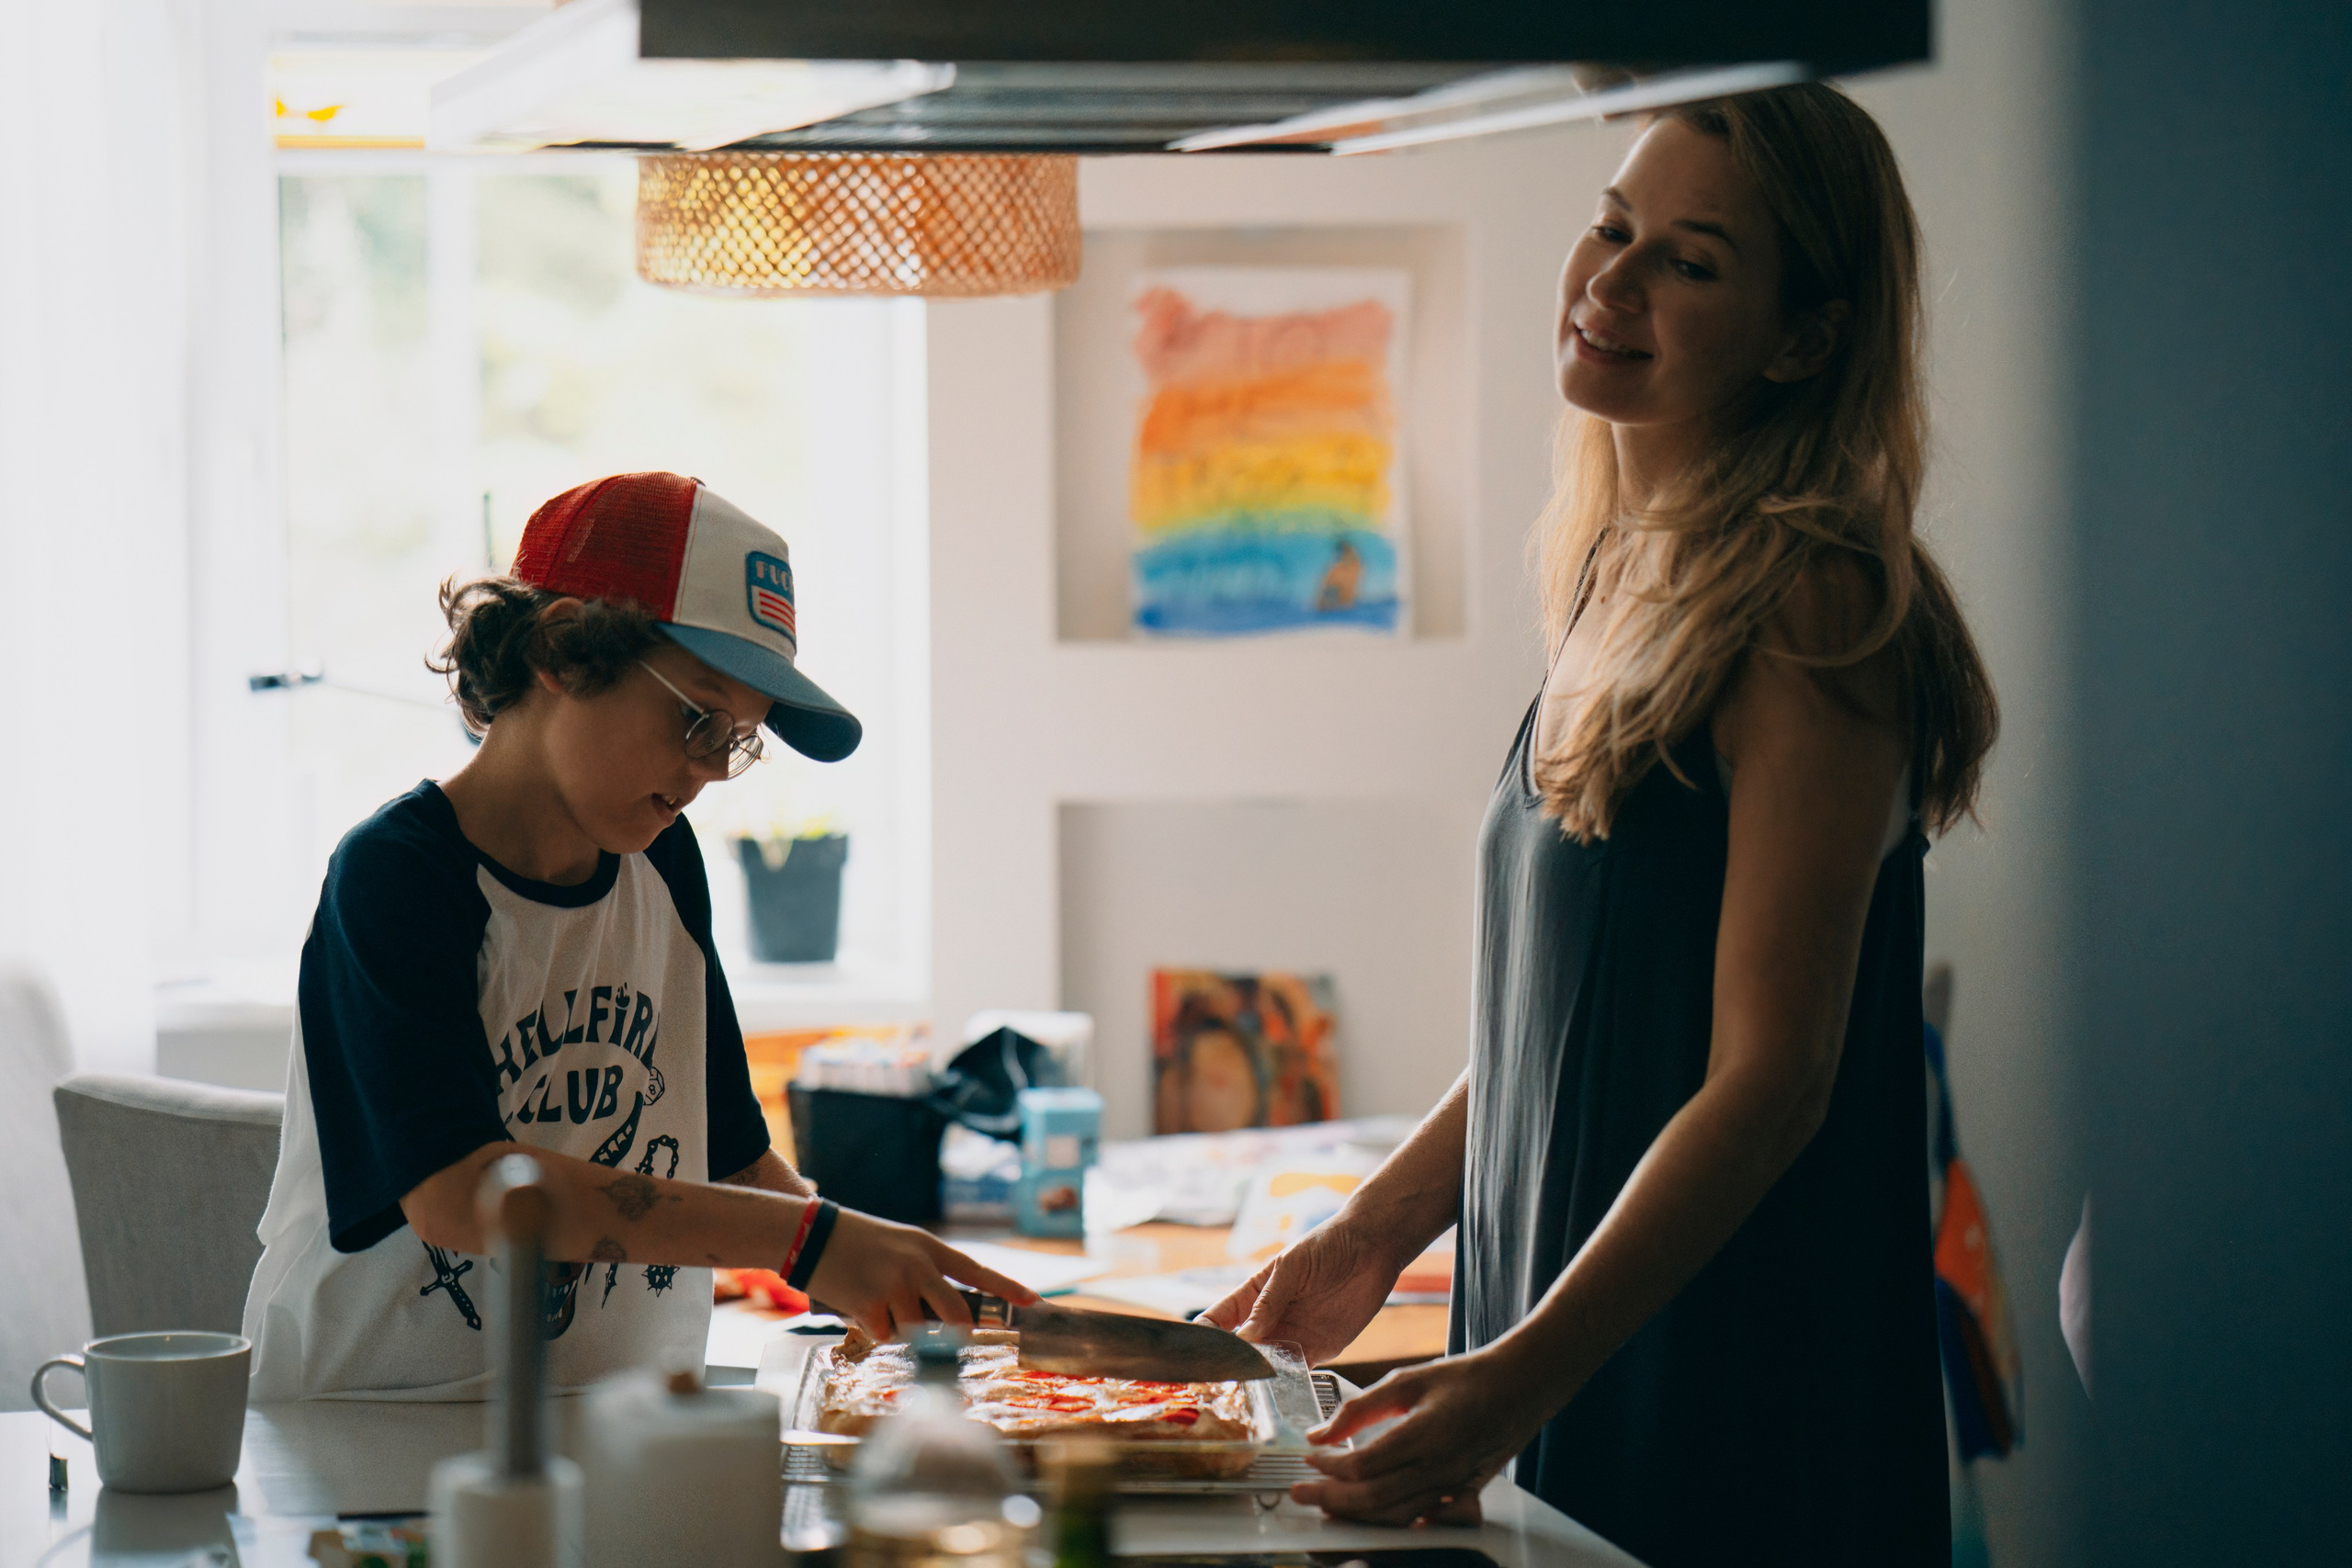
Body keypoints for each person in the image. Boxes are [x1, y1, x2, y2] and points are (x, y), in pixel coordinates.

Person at [1204, 85, 1996, 1568]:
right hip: (1566, 1330)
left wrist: (1523, 1372)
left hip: (1721, 1373)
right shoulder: (1622, 575)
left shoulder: (1812, 604)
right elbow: (1566, 1014)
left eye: (1690, 261)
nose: (1613, 282)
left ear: (1807, 335)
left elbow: (1774, 1079)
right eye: (1612, 225)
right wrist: (1371, 1234)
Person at [243, 471, 1033, 1401]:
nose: (710, 772)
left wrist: (867, 1262)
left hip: (616, 1417)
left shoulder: (663, 859)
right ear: (560, 649)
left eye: (737, 741)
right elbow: (460, 1193)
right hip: (374, 1424)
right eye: (697, 718)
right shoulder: (398, 876)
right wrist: (810, 1241)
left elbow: (728, 1150)